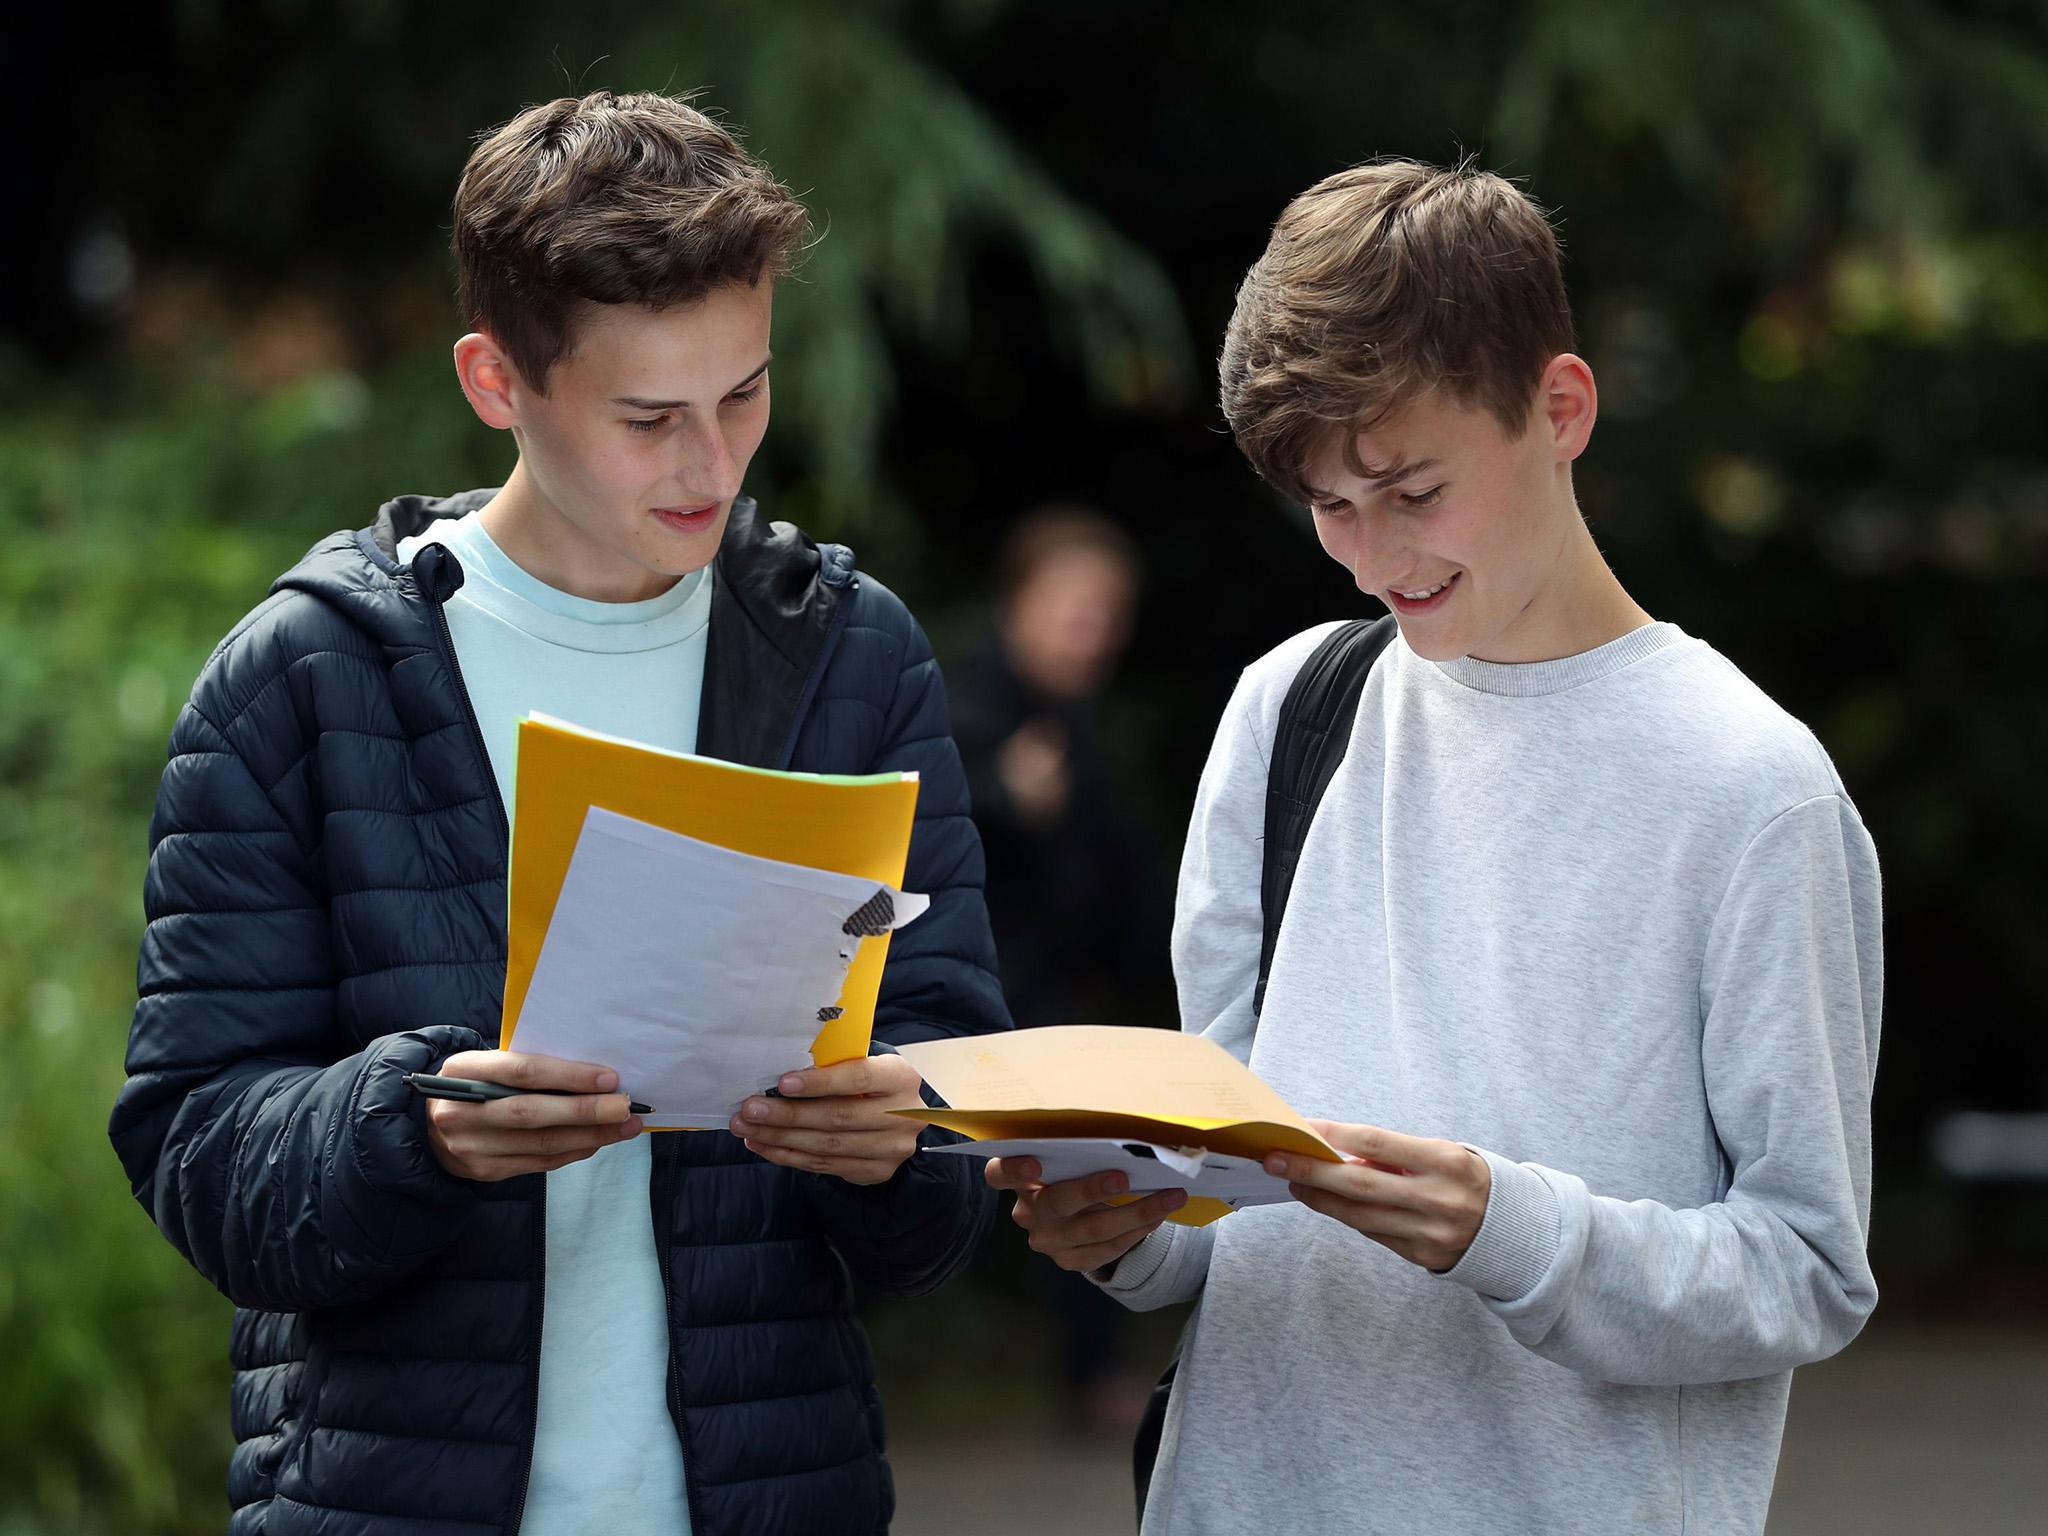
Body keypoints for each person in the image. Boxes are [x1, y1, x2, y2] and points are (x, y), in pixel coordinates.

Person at [109, 90, 1009, 1536]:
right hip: (386, 1501)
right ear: (493, 380)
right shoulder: (303, 677)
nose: (713, 466)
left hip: (774, 1496)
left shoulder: (851, 651)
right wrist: (416, 1127)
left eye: (745, 394)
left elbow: (957, 1113)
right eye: (649, 418)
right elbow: (195, 1152)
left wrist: (901, 1139)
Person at [990, 158, 1883, 1535]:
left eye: (1411, 491)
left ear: (1561, 408)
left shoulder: (1758, 792)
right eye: (1329, 507)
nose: (1369, 557)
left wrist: (1507, 1232)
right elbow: (1218, 1218)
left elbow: (1808, 1272)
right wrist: (1124, 1232)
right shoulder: (1293, 709)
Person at [949, 507, 1170, 1435]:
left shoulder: (1076, 721)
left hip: (1051, 998)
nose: (1093, 632)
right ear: (1020, 602)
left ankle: (1090, 1376)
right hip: (954, 998)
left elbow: (1121, 875)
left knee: (1100, 1141)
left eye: (1108, 614)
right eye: (1075, 609)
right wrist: (1004, 793)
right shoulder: (951, 695)